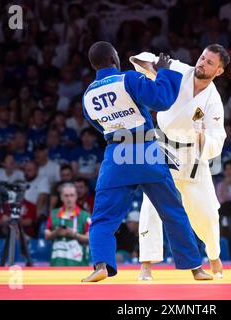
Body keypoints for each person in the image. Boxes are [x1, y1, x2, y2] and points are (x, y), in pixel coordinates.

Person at [81, 41, 207, 282]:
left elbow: (98, 125)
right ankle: (195, 268)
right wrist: (164, 71)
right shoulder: (127, 79)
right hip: (145, 150)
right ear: (114, 59)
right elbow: (161, 100)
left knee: (103, 218)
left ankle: (100, 265)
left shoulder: (88, 95)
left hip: (116, 154)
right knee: (172, 211)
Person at [131, 44, 228, 280]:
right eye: (202, 57)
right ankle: (146, 264)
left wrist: (203, 137)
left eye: (209, 63)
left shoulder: (213, 101)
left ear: (219, 71)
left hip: (193, 157)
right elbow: (140, 59)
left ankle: (214, 255)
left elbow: (218, 137)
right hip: (163, 147)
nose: (202, 63)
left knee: (206, 214)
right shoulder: (178, 70)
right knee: (152, 204)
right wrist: (151, 67)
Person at [45, 183, 90, 266]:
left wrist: (74, 234)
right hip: (57, 263)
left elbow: (90, 238)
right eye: (66, 195)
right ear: (61, 197)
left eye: (72, 195)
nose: (69, 199)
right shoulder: (53, 214)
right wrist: (56, 232)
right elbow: (46, 235)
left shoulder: (85, 216)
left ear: (76, 196)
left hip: (78, 264)